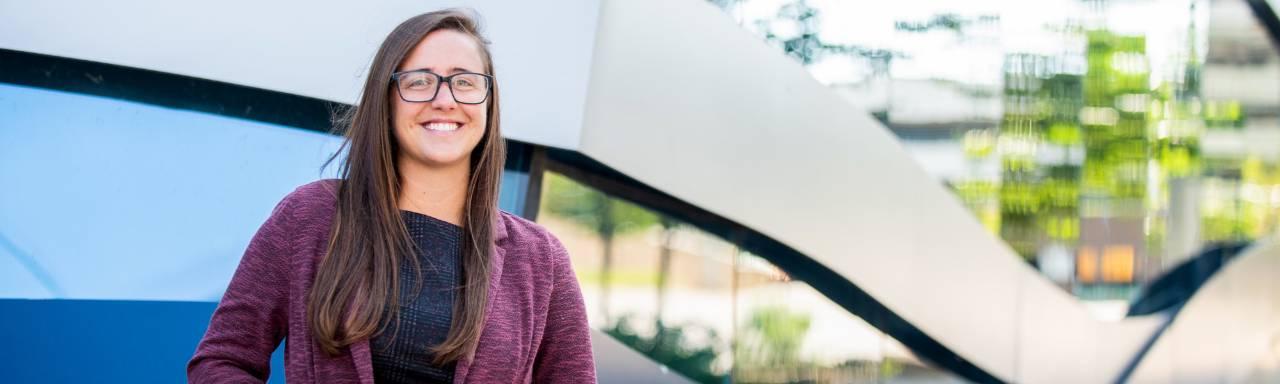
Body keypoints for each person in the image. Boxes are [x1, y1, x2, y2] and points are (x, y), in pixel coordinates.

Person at [188, 9, 596, 383]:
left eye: (465, 82)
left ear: (488, 103)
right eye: (419, 81)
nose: (445, 99)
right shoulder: (310, 217)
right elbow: (222, 361)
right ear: (387, 100)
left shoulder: (542, 261)